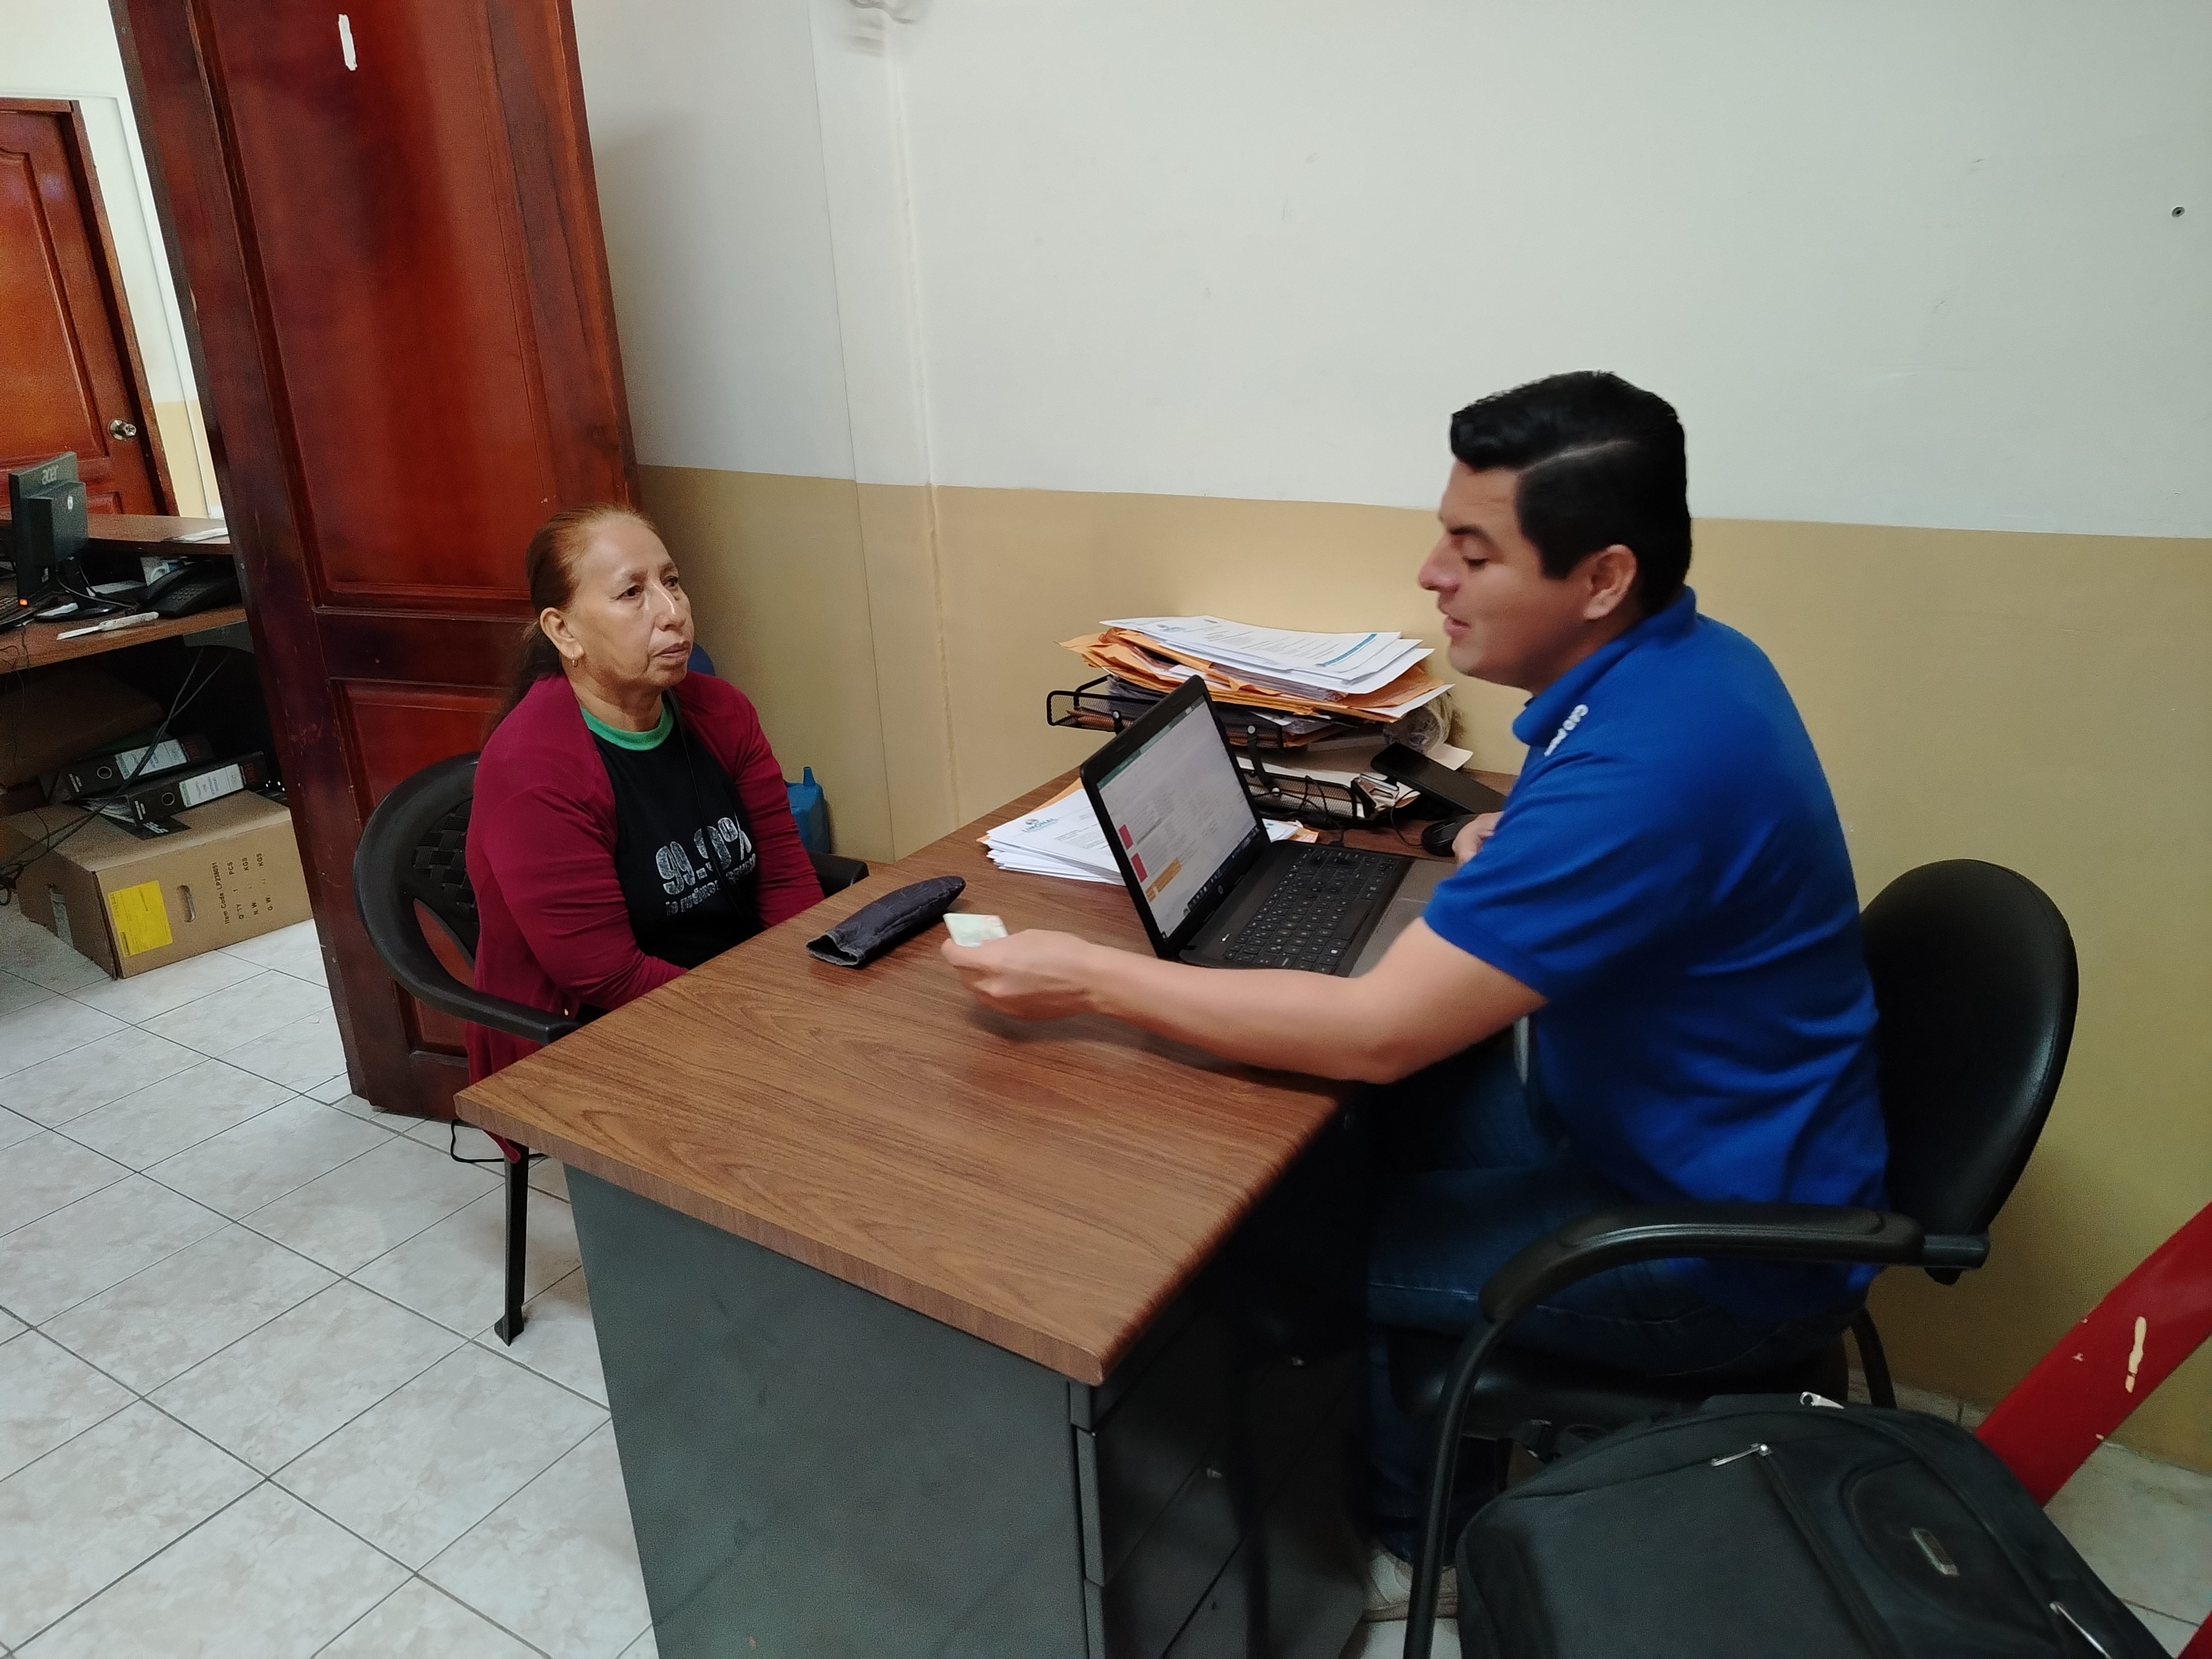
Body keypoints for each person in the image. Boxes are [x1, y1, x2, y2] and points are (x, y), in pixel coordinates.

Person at [940, 372, 1886, 1619]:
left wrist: (1093, 975)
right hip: (1671, 1128)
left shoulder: (1649, 769)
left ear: (1601, 577)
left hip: (1714, 1243)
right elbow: (1594, 829)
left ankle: (1412, 1550)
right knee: (1335, 1151)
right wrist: (1507, 839)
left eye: (1474, 552)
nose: (1433, 574)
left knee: (1318, 1234)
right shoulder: (1686, 667)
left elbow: (1379, 1034)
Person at [466, 504, 821, 1081]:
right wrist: (760, 1025)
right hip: (600, 1035)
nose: (673, 613)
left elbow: (784, 880)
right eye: (632, 593)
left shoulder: (722, 712)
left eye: (672, 582)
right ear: (563, 631)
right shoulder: (532, 769)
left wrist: (808, 989)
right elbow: (608, 976)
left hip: (742, 1000)